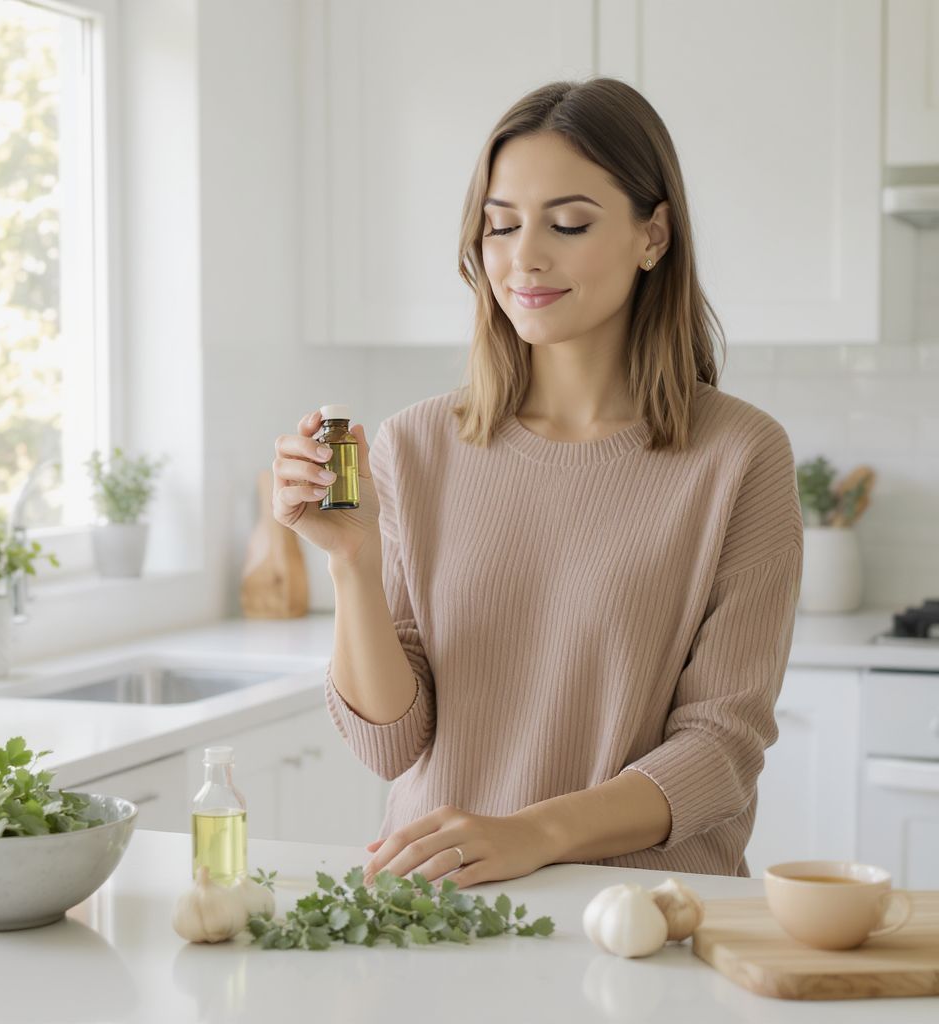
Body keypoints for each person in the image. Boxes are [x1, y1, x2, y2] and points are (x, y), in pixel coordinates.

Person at [272, 77, 802, 888]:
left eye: (569, 223)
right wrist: (351, 563)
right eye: (501, 226)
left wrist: (536, 833)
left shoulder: (739, 457)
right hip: (443, 908)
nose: (525, 258)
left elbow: (720, 750)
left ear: (653, 234)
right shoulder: (415, 447)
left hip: (648, 916)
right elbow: (390, 745)